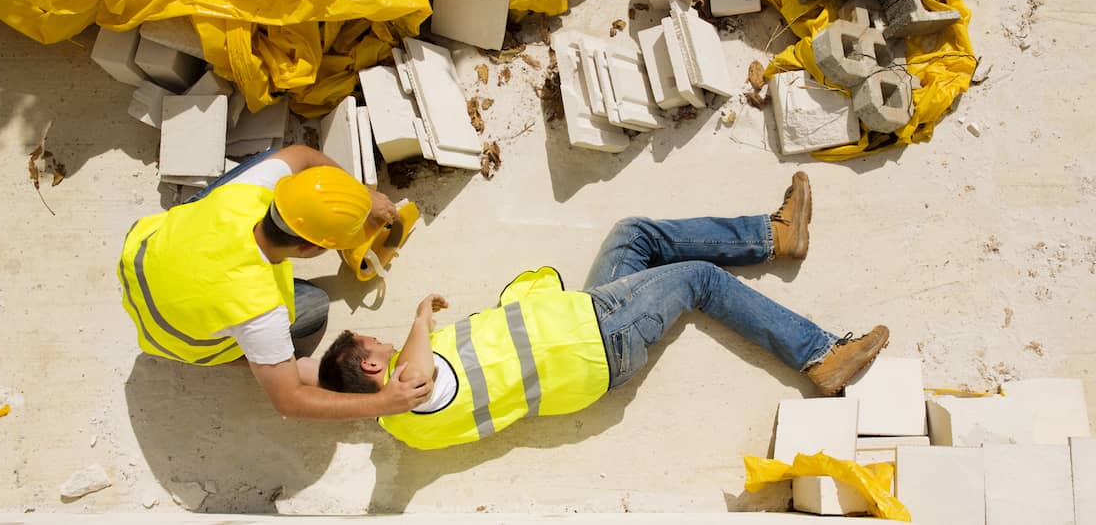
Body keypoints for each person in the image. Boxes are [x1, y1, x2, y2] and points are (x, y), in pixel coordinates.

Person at [317, 172, 889, 449]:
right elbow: (417, 376)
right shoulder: (411, 395)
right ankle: (820, 354)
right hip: (598, 342)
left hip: (581, 324)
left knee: (632, 235)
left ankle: (773, 236)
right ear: (372, 369)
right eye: (376, 346)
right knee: (698, 280)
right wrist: (421, 317)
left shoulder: (405, 427)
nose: (387, 344)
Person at [118, 144, 430, 419]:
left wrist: (360, 197)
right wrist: (384, 403)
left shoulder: (249, 193)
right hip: (173, 336)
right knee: (314, 306)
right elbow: (289, 401)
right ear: (310, 248)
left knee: (272, 157)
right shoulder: (259, 307)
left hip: (145, 259)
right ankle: (244, 357)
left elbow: (304, 155)